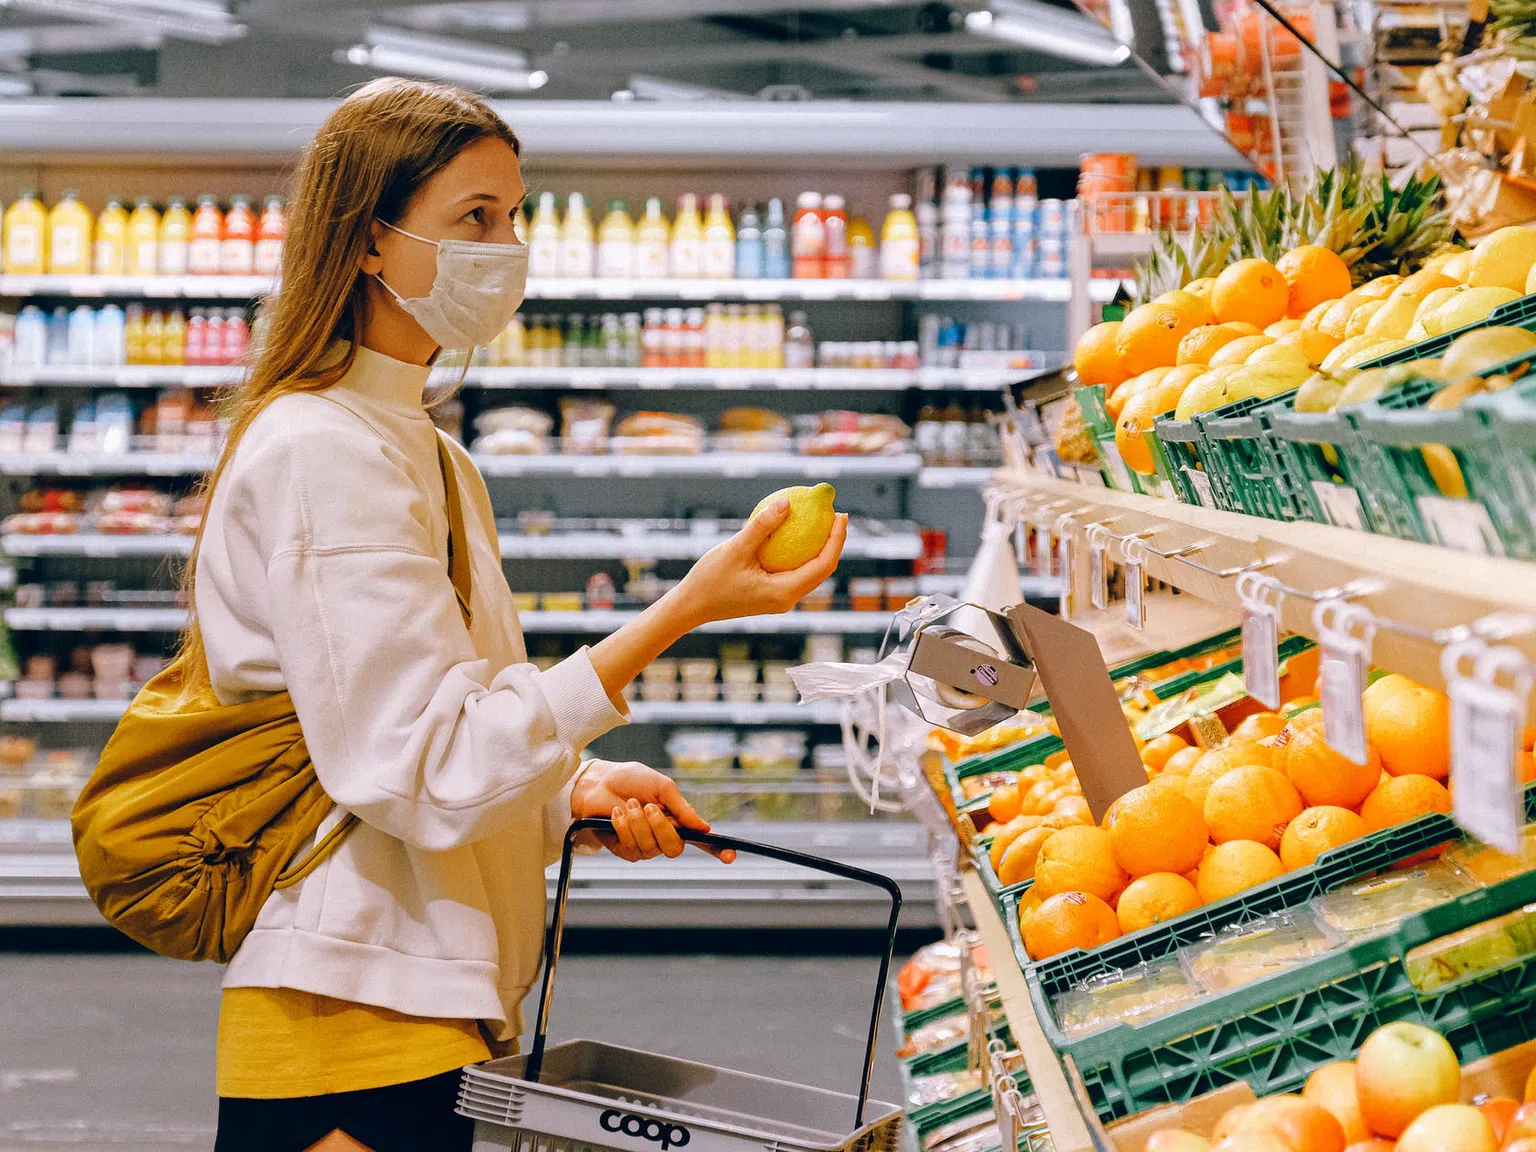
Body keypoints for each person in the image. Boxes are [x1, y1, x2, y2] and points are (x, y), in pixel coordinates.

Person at [196, 77, 846, 1152]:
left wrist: (564, 790)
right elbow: (418, 764)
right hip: (352, 1012)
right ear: (368, 241)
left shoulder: (427, 452)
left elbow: (430, 731)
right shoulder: (323, 451)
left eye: (516, 214)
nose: (509, 247)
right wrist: (680, 612)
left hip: (424, 998)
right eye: (475, 219)